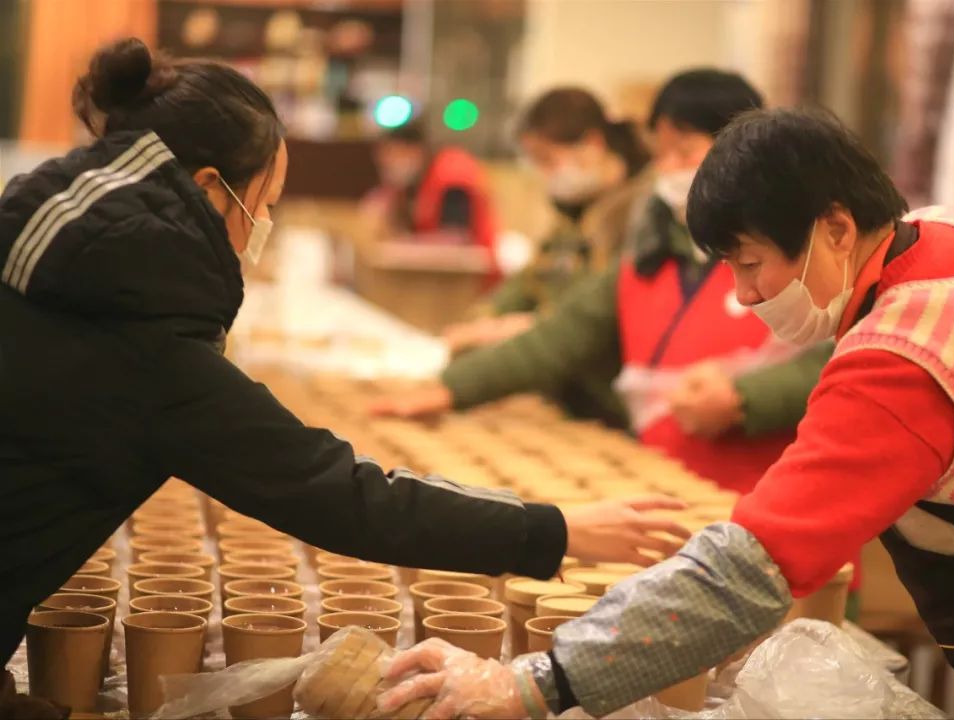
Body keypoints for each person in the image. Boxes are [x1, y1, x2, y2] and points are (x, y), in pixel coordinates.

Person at [0, 38, 690, 670]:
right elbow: (339, 495)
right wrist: (552, 530)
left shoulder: (56, 270)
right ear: (209, 189)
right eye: (264, 202)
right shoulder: (143, 341)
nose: (262, 225)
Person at [377, 108, 954, 720]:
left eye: (751, 263)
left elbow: (751, 569)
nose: (743, 295)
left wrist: (535, 683)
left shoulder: (904, 361)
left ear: (837, 228)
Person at [373, 70, 832, 496]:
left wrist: (745, 397)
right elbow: (559, 337)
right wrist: (453, 387)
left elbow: (840, 359)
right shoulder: (651, 254)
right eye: (660, 155)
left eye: (684, 152)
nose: (668, 170)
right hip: (661, 482)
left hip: (770, 496)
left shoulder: (800, 252)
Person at [441, 88, 653, 371]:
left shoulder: (638, 213)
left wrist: (521, 327)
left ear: (592, 143)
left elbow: (597, 313)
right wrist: (482, 319)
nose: (543, 174)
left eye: (548, 160)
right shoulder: (573, 215)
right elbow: (529, 281)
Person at [368, 120, 499, 266]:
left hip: (475, 273)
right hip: (435, 271)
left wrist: (400, 247)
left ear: (415, 150)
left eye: (392, 156)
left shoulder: (452, 173)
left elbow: (457, 239)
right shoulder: (412, 183)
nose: (388, 165)